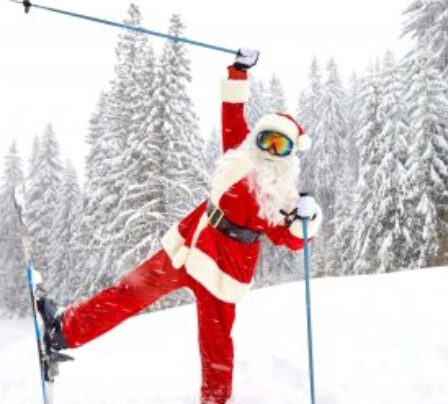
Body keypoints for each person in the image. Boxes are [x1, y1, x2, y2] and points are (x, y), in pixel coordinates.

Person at [41, 49, 323, 404]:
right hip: (191, 244)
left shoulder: (282, 195)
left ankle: (214, 401)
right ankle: (62, 333)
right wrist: (238, 71)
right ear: (257, 138)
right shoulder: (239, 155)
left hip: (224, 270)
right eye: (267, 138)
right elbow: (232, 113)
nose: (270, 149)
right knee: (131, 290)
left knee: (216, 348)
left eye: (280, 145)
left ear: (290, 153)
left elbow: (292, 240)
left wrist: (306, 220)